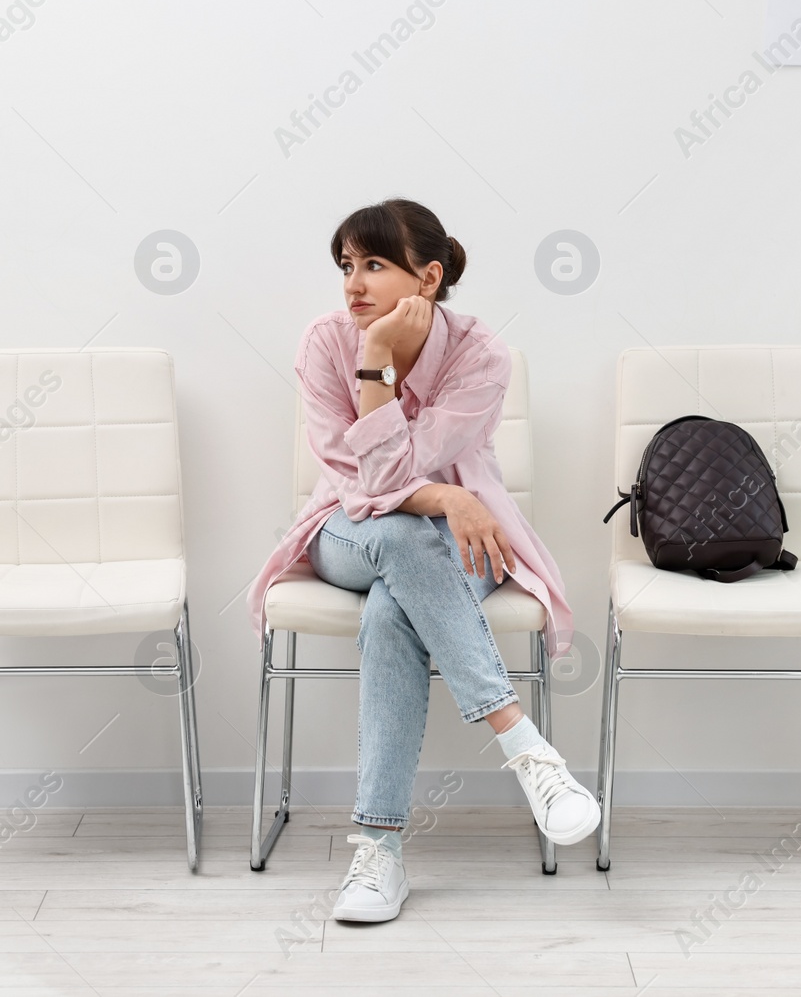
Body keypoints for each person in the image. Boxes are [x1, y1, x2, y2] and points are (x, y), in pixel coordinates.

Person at [247, 198, 596, 923]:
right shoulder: (326, 342)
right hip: (344, 531)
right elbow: (369, 487)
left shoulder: (481, 354)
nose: (353, 284)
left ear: (428, 276)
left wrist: (439, 499)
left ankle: (379, 852)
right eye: (347, 265)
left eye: (374, 264)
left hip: (458, 543)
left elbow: (401, 468)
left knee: (391, 611)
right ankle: (527, 748)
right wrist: (378, 370)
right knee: (402, 538)